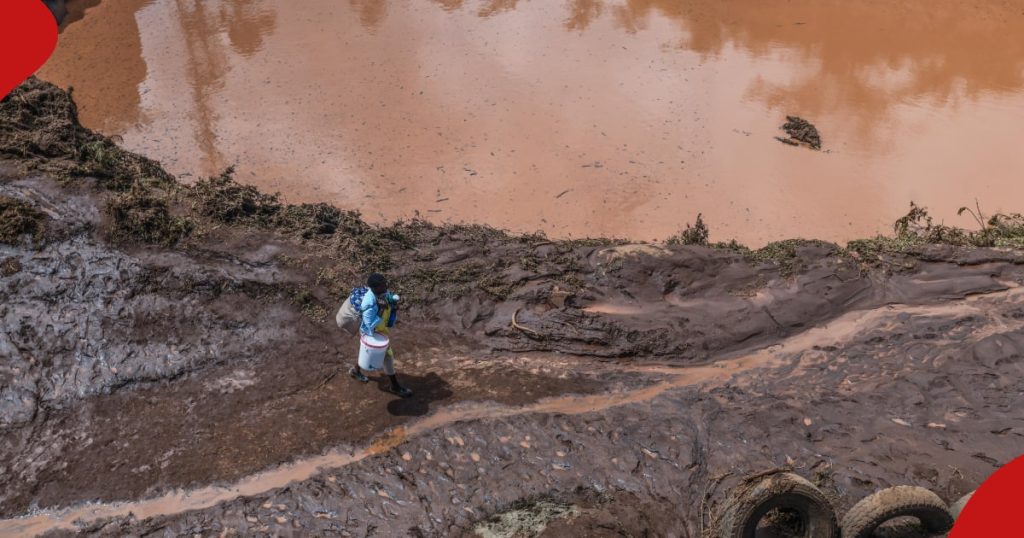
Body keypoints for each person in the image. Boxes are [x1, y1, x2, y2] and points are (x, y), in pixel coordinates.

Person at [336, 273, 413, 397]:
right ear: (375, 288)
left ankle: (356, 371)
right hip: (372, 332)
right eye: (383, 285)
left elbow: (387, 298)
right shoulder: (369, 304)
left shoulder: (380, 293)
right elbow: (368, 324)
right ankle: (395, 386)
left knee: (365, 350)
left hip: (379, 329)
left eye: (385, 283)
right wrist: (381, 309)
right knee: (387, 356)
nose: (386, 286)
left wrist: (391, 301)